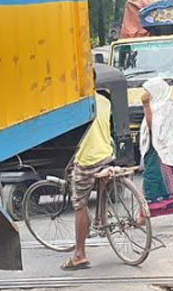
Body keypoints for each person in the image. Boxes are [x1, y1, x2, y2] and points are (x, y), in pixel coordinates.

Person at [61, 84, 115, 270]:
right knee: (102, 184)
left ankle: (79, 254)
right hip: (107, 154)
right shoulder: (105, 101)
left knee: (79, 203)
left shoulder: (77, 105)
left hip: (87, 159)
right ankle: (101, 217)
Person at [137, 78, 173, 226]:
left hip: (162, 152)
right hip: (155, 149)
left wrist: (145, 106)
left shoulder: (163, 108)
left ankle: (143, 215)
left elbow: (152, 128)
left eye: (148, 91)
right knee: (161, 182)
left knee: (155, 181)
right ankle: (143, 215)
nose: (145, 94)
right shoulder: (158, 106)